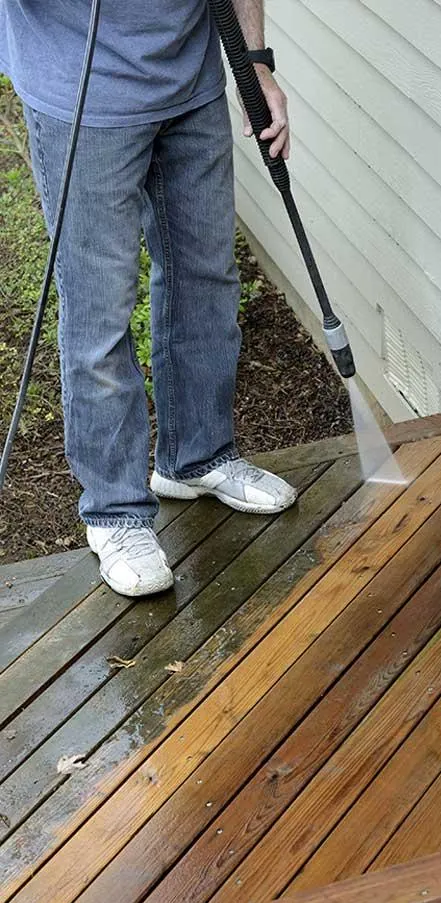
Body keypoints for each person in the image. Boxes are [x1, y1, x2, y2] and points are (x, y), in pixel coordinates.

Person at [0, 0, 296, 597]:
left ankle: (197, 457)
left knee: (207, 281)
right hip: (83, 96)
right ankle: (114, 512)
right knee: (99, 311)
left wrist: (255, 63)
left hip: (192, 83)